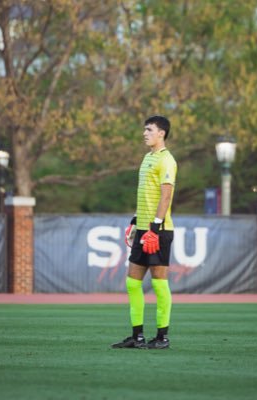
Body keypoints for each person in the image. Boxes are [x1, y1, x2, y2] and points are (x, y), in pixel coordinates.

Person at [111, 115, 177, 350]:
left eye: (149, 129)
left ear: (162, 133)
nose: (144, 133)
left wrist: (155, 227)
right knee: (132, 283)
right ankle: (137, 336)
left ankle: (162, 337)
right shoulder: (147, 158)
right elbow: (148, 196)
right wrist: (137, 221)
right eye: (145, 129)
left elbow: (166, 196)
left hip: (158, 231)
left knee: (159, 283)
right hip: (143, 229)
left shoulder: (167, 160)